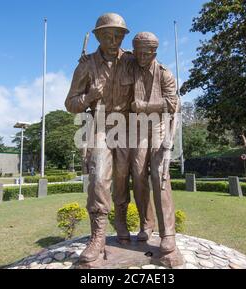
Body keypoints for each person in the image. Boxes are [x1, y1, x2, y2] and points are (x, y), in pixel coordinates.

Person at [65, 13, 140, 263]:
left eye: (118, 35)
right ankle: (97, 236)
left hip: (128, 125)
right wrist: (88, 97)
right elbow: (70, 103)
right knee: (98, 177)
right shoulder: (86, 65)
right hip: (99, 124)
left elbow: (152, 73)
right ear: (97, 36)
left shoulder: (131, 61)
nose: (113, 40)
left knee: (122, 176)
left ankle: (120, 222)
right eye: (108, 35)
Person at [129, 32, 180, 254]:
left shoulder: (164, 74)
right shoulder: (129, 65)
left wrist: (145, 106)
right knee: (138, 175)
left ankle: (168, 233)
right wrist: (87, 59)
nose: (140, 57)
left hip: (159, 127)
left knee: (160, 175)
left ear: (154, 53)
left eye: (145, 53)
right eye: (137, 52)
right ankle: (146, 224)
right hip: (136, 129)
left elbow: (172, 103)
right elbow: (111, 54)